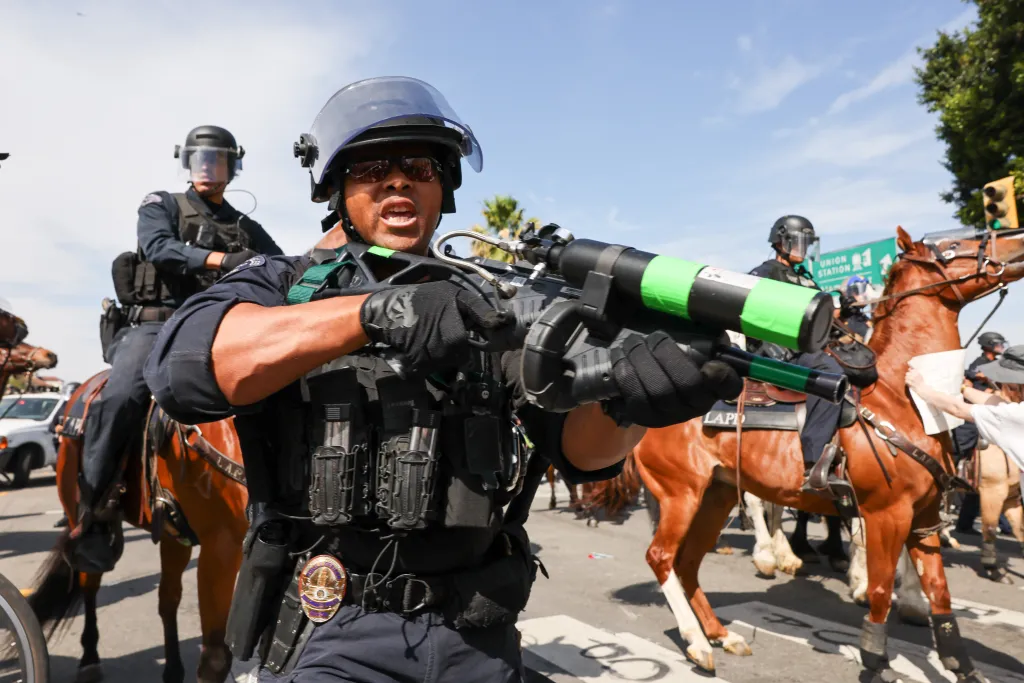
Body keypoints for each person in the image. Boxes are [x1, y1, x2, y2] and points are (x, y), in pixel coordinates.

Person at [144, 76, 742, 682]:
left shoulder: (489, 301)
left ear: (443, 189)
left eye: (419, 166)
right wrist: (377, 313)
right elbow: (185, 369)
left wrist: (634, 398)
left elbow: (581, 453)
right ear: (338, 189)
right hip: (329, 630)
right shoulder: (284, 283)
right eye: (373, 166)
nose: (398, 178)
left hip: (477, 633)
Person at [73, 125, 284, 572]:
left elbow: (282, 263)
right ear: (186, 164)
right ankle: (93, 512)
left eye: (217, 160)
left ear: (232, 166)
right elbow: (160, 248)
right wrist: (223, 260)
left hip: (216, 325)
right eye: (199, 160)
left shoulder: (246, 226)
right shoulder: (161, 204)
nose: (207, 169)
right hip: (155, 325)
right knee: (121, 396)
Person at [749, 215, 845, 490]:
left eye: (807, 243)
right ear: (781, 241)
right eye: (799, 242)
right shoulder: (765, 272)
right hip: (779, 357)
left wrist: (843, 311)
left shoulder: (806, 280)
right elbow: (748, 309)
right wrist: (768, 345)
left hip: (807, 352)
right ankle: (812, 464)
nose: (804, 249)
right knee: (830, 375)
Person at [906, 346, 1024, 472]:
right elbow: (999, 404)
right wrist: (962, 388)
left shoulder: (1016, 415)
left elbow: (958, 409)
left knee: (963, 440)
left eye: (1011, 387)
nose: (1010, 394)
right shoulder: (1016, 412)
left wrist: (922, 388)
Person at [838, 275, 872, 341]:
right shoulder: (840, 321)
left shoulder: (864, 318)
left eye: (864, 290)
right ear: (847, 293)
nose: (863, 294)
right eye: (856, 291)